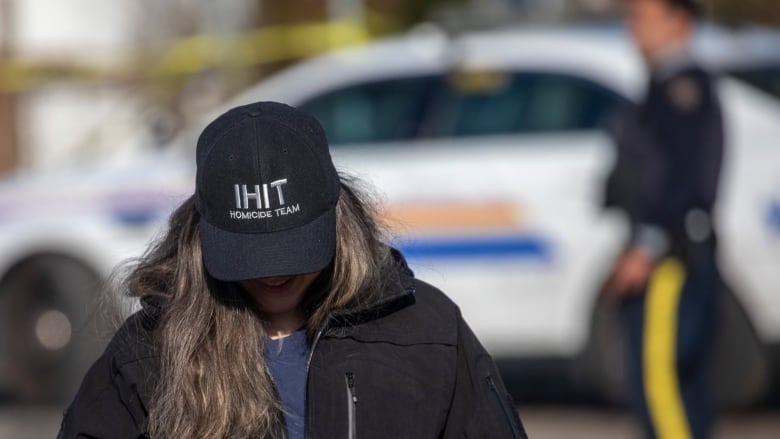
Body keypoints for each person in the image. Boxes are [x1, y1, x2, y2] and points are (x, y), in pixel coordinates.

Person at [57, 101, 527, 438]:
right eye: (250, 255)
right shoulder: (147, 353)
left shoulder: (429, 331)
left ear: (336, 219)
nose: (274, 275)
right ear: (202, 237)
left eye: (292, 249)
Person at [603, 0, 724, 438]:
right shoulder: (667, 85)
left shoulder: (681, 88)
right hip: (671, 249)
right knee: (678, 381)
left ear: (680, 24)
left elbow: (681, 178)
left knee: (662, 380)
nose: (632, 29)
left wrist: (646, 246)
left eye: (643, 18)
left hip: (669, 256)